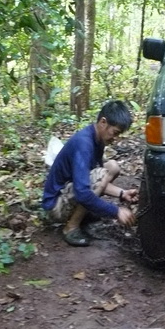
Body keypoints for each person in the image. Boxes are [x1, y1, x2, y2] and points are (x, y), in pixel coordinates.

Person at [42, 100, 138, 247]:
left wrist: (122, 193)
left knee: (112, 167)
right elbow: (84, 191)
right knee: (100, 174)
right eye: (115, 133)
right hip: (55, 205)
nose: (116, 139)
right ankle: (71, 227)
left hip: (69, 191)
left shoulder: (97, 140)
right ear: (103, 122)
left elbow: (97, 182)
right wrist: (116, 211)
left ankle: (83, 213)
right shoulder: (84, 144)